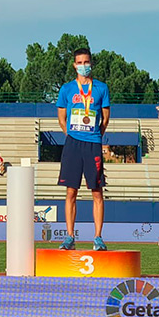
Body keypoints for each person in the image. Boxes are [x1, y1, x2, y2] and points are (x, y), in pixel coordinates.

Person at [56, 47, 110, 251]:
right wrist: (70, 134)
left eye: (86, 62)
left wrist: (96, 135)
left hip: (93, 142)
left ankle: (98, 237)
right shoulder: (67, 89)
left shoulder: (101, 88)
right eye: (80, 62)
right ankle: (69, 236)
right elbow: (62, 117)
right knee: (71, 191)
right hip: (73, 143)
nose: (83, 66)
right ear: (74, 65)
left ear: (91, 63)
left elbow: (105, 118)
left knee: (97, 191)